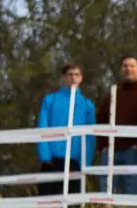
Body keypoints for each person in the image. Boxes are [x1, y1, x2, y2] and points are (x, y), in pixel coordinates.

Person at [36, 62, 96, 196]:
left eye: (77, 74)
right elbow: (42, 127)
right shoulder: (50, 100)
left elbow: (90, 136)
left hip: (75, 160)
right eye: (70, 74)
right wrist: (45, 156)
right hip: (52, 159)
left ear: (81, 78)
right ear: (63, 77)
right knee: (47, 200)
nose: (73, 78)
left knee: (73, 203)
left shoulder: (87, 104)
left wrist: (85, 162)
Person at [96, 55, 137, 194]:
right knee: (107, 193)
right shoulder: (113, 94)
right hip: (110, 150)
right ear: (121, 70)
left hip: (133, 151)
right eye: (125, 66)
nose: (129, 69)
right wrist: (102, 145)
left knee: (131, 194)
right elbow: (101, 119)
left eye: (132, 66)